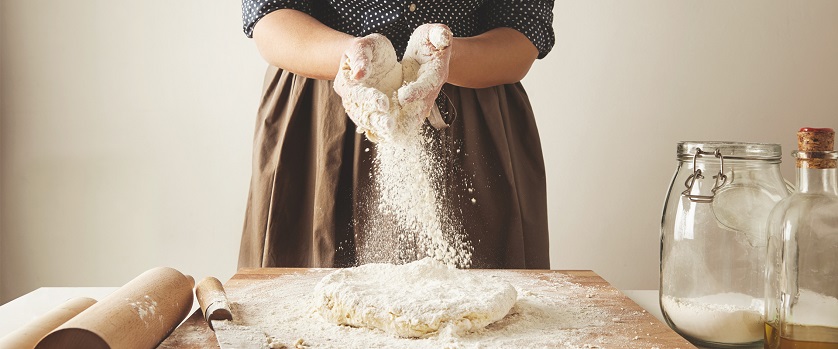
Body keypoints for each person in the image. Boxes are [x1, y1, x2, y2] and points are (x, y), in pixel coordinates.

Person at [238, 0, 554, 270]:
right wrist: (349, 56)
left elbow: (522, 28)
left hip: (469, 113)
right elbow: (270, 15)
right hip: (324, 118)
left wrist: (449, 56)